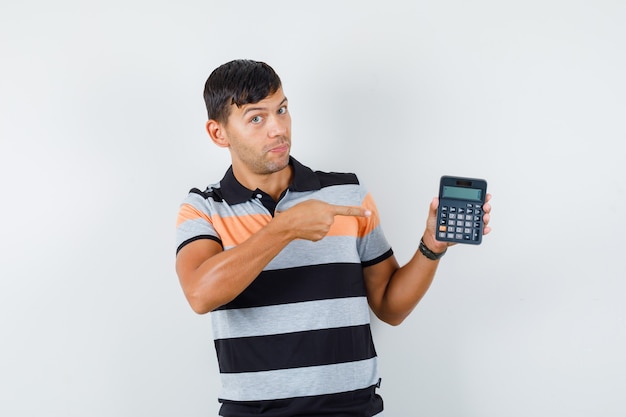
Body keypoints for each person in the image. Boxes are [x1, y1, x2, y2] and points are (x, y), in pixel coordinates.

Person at [175, 59, 492, 417]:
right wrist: (286, 228)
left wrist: (431, 246)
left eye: (282, 110)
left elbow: (390, 306)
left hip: (353, 409)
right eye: (256, 118)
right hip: (254, 412)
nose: (278, 128)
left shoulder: (346, 193)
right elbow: (200, 294)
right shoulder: (204, 207)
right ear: (219, 133)